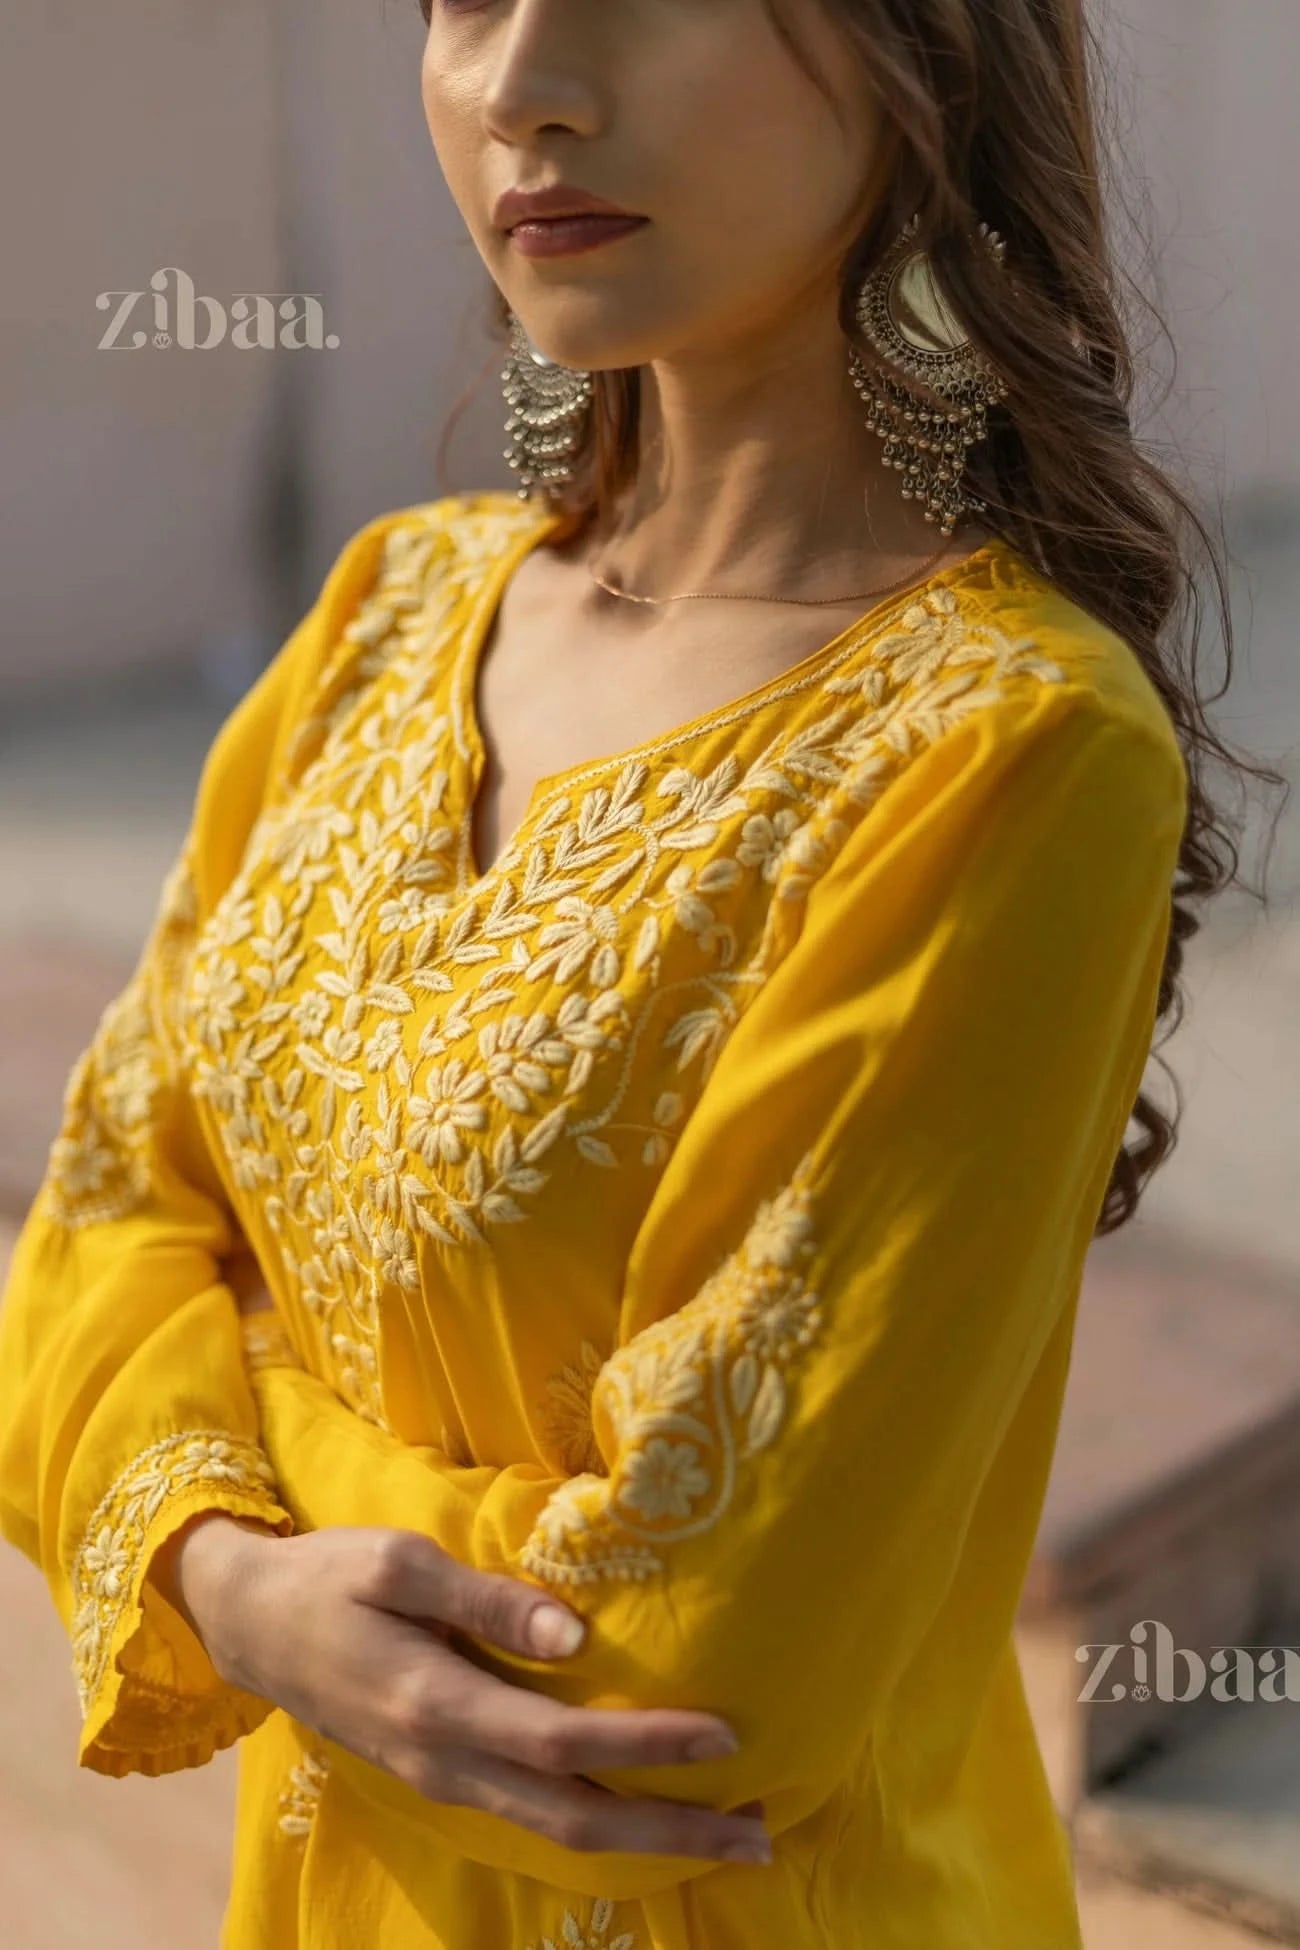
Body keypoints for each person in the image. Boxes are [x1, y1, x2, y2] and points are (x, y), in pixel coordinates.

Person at [0, 2, 1275, 1945]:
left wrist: (204, 1479)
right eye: (457, 2)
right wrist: (241, 1588)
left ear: (923, 52)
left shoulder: (999, 755)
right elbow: (78, 1259)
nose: (519, 85)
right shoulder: (385, 617)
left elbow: (672, 1676)